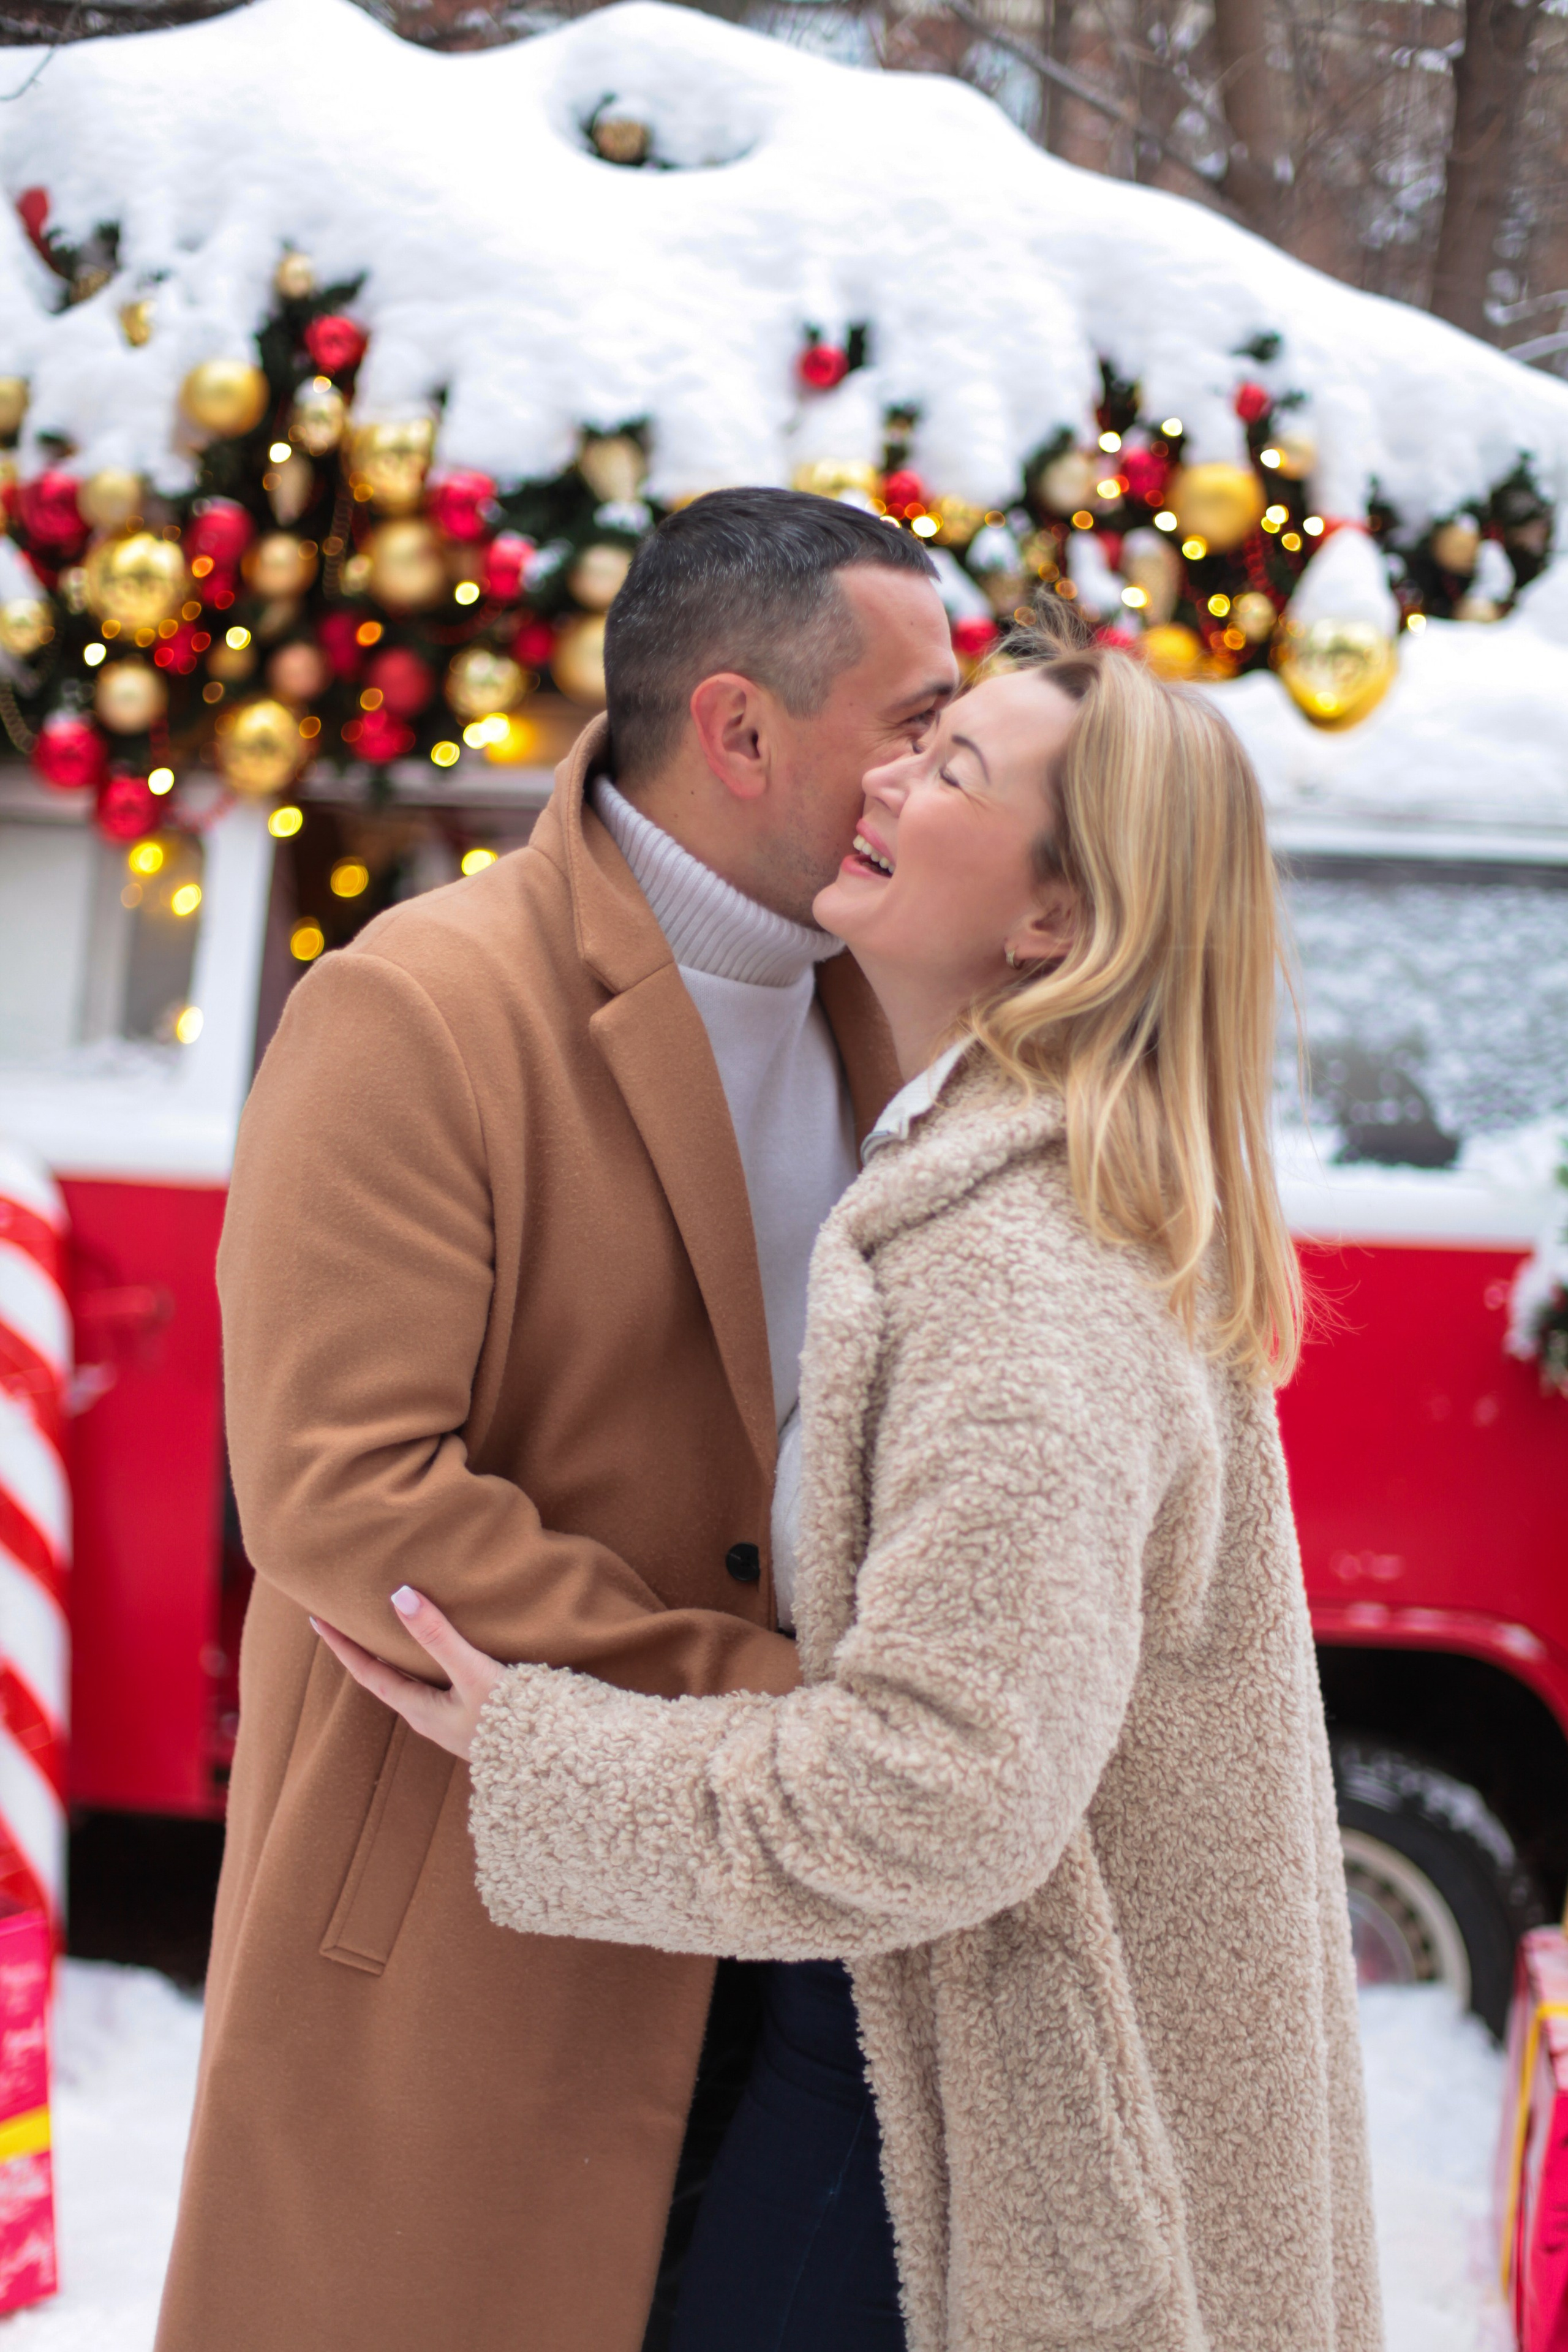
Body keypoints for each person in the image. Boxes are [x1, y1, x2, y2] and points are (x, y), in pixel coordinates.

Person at [318, 601, 1384, 2352]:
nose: (890, 773)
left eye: (955, 764)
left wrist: (543, 1742)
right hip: (931, 2047)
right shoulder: (992, 1173)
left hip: (950, 2096)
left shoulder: (1022, 1275)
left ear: (1055, 915)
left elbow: (946, 1793)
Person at [154, 489, 959, 2352]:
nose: (936, 764)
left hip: (791, 1938)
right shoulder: (416, 1008)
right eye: (912, 717)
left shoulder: (902, 1012)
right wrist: (780, 1714)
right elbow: (347, 1502)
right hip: (469, 1927)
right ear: (743, 730)